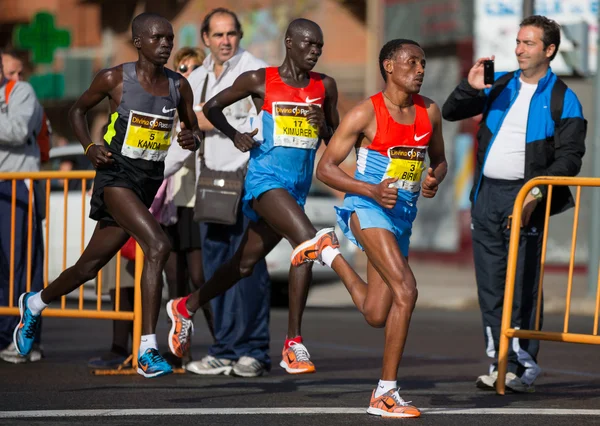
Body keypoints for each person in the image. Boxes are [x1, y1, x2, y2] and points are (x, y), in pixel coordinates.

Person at [11, 13, 202, 378]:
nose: (166, 44)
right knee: (158, 246)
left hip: (147, 183)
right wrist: (88, 147)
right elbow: (77, 110)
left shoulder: (180, 86)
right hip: (116, 176)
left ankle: (34, 303)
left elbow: (191, 132)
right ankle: (147, 348)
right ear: (138, 43)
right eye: (158, 37)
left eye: (170, 38)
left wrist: (191, 139)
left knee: (89, 266)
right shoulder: (115, 78)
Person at [165, 17, 339, 375]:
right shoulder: (261, 79)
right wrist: (233, 134)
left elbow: (334, 139)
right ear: (290, 42)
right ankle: (293, 343)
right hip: (264, 181)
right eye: (309, 44)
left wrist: (323, 125)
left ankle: (186, 306)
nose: (315, 52)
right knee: (306, 242)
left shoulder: (326, 86)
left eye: (319, 47)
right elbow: (212, 107)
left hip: (296, 188)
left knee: (243, 265)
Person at [442, 15, 586, 393]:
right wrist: (470, 88)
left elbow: (570, 158)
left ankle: (524, 365)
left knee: (522, 284)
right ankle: (498, 360)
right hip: (486, 195)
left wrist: (536, 193)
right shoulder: (500, 83)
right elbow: (450, 112)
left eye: (529, 43)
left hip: (526, 199)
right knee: (489, 284)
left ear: (549, 50)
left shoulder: (563, 99)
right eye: (518, 42)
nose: (519, 49)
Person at [306, 39, 447, 418]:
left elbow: (440, 161)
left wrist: (433, 179)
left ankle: (328, 252)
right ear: (389, 65)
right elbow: (326, 168)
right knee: (407, 289)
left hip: (401, 216)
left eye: (423, 63)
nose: (420, 70)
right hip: (366, 208)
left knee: (376, 312)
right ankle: (384, 393)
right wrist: (370, 189)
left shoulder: (430, 111)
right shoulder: (364, 113)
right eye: (411, 62)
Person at [165, 8, 272, 377]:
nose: (226, 41)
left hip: (249, 183)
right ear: (206, 39)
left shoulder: (255, 71)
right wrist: (155, 176)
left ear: (239, 36)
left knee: (250, 269)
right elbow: (184, 133)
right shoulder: (195, 78)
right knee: (215, 271)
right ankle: (224, 349)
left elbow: (257, 124)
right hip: (210, 184)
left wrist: (200, 117)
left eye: (231, 34)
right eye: (218, 35)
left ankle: (255, 350)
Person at [159, 46, 215, 368]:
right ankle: (180, 349)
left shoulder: (203, 109)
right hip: (171, 202)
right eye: (183, 67)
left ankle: (222, 343)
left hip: (199, 201)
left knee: (199, 276)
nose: (188, 71)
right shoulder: (169, 105)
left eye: (194, 67)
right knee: (174, 280)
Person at [0, 48, 45, 364]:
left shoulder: (21, 91)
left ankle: (21, 339)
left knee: (18, 267)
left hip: (15, 185)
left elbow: (17, 132)